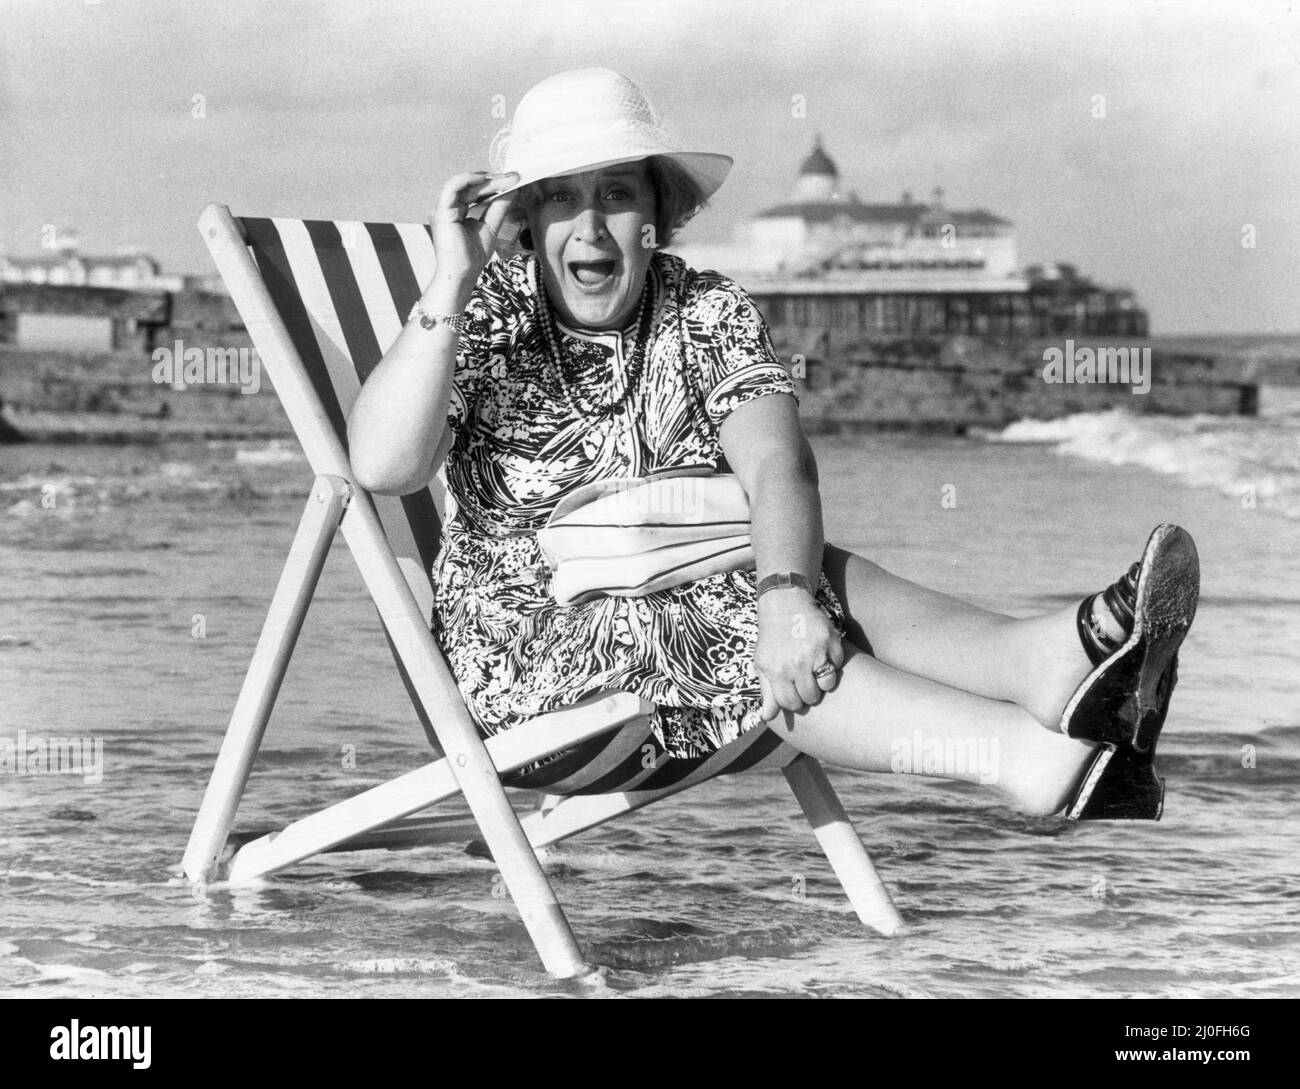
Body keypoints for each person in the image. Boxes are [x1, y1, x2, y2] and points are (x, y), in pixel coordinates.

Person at [347, 68, 1199, 820]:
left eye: (617, 194)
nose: (591, 228)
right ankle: (1030, 759)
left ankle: (1042, 665)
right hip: (522, 674)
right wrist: (452, 281)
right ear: (525, 219)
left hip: (672, 605)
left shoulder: (704, 308)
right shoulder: (483, 313)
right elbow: (384, 468)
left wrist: (787, 597)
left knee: (799, 568)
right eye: (562, 198)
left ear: (656, 212)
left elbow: (777, 465)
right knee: (732, 609)